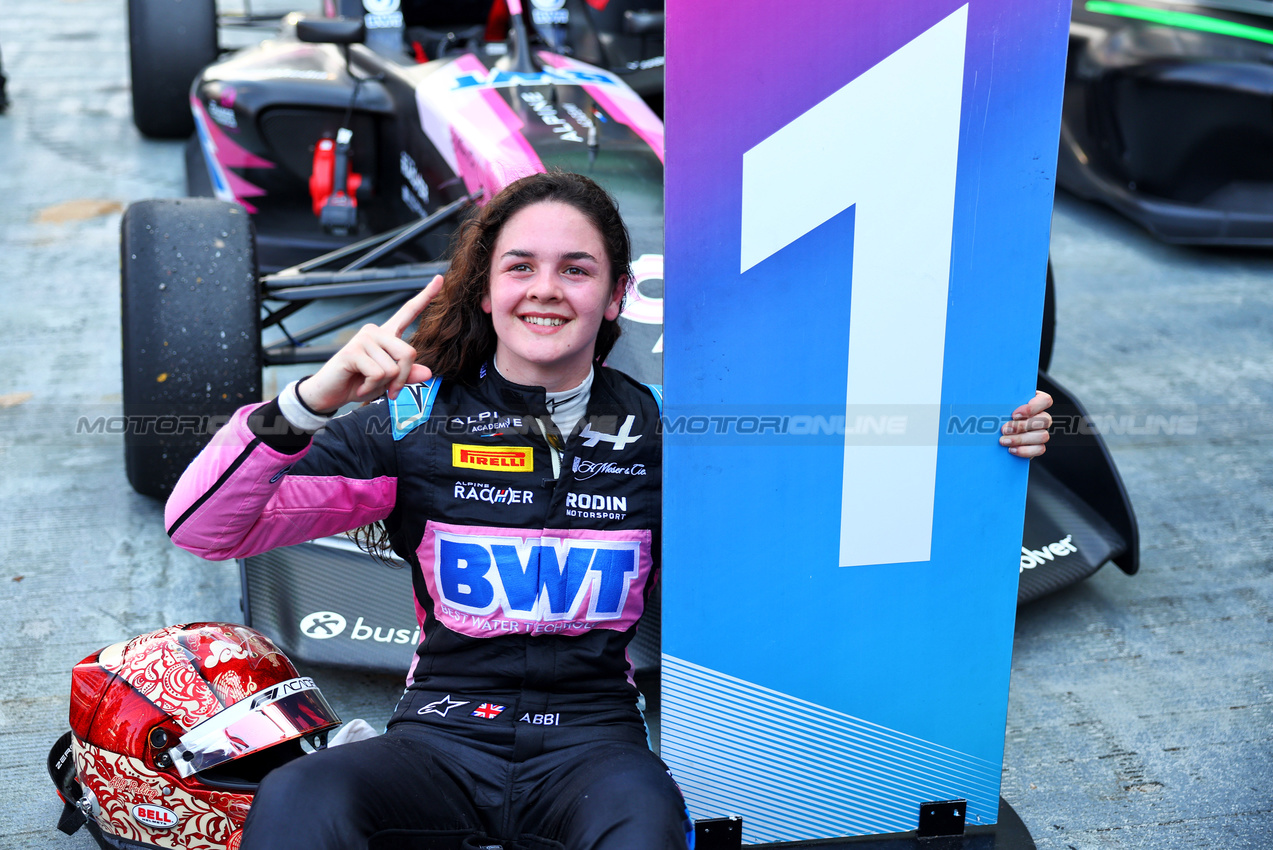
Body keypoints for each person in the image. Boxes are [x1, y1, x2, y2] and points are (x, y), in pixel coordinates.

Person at [165, 171, 1053, 850]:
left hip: (593, 748)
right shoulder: (410, 422)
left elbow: (842, 470)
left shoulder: (670, 428)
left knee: (649, 821)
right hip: (436, 737)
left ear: (616, 295)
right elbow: (202, 527)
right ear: (485, 291)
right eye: (520, 266)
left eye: (575, 269)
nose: (545, 288)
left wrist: (987, 432)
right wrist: (312, 398)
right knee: (297, 796)